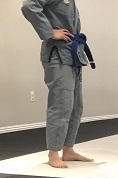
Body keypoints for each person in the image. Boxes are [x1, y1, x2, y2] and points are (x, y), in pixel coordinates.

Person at [22, 0, 96, 169]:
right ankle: (53, 153)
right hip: (58, 55)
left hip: (73, 54)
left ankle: (68, 149)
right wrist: (49, 32)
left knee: (76, 106)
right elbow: (28, 5)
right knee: (61, 104)